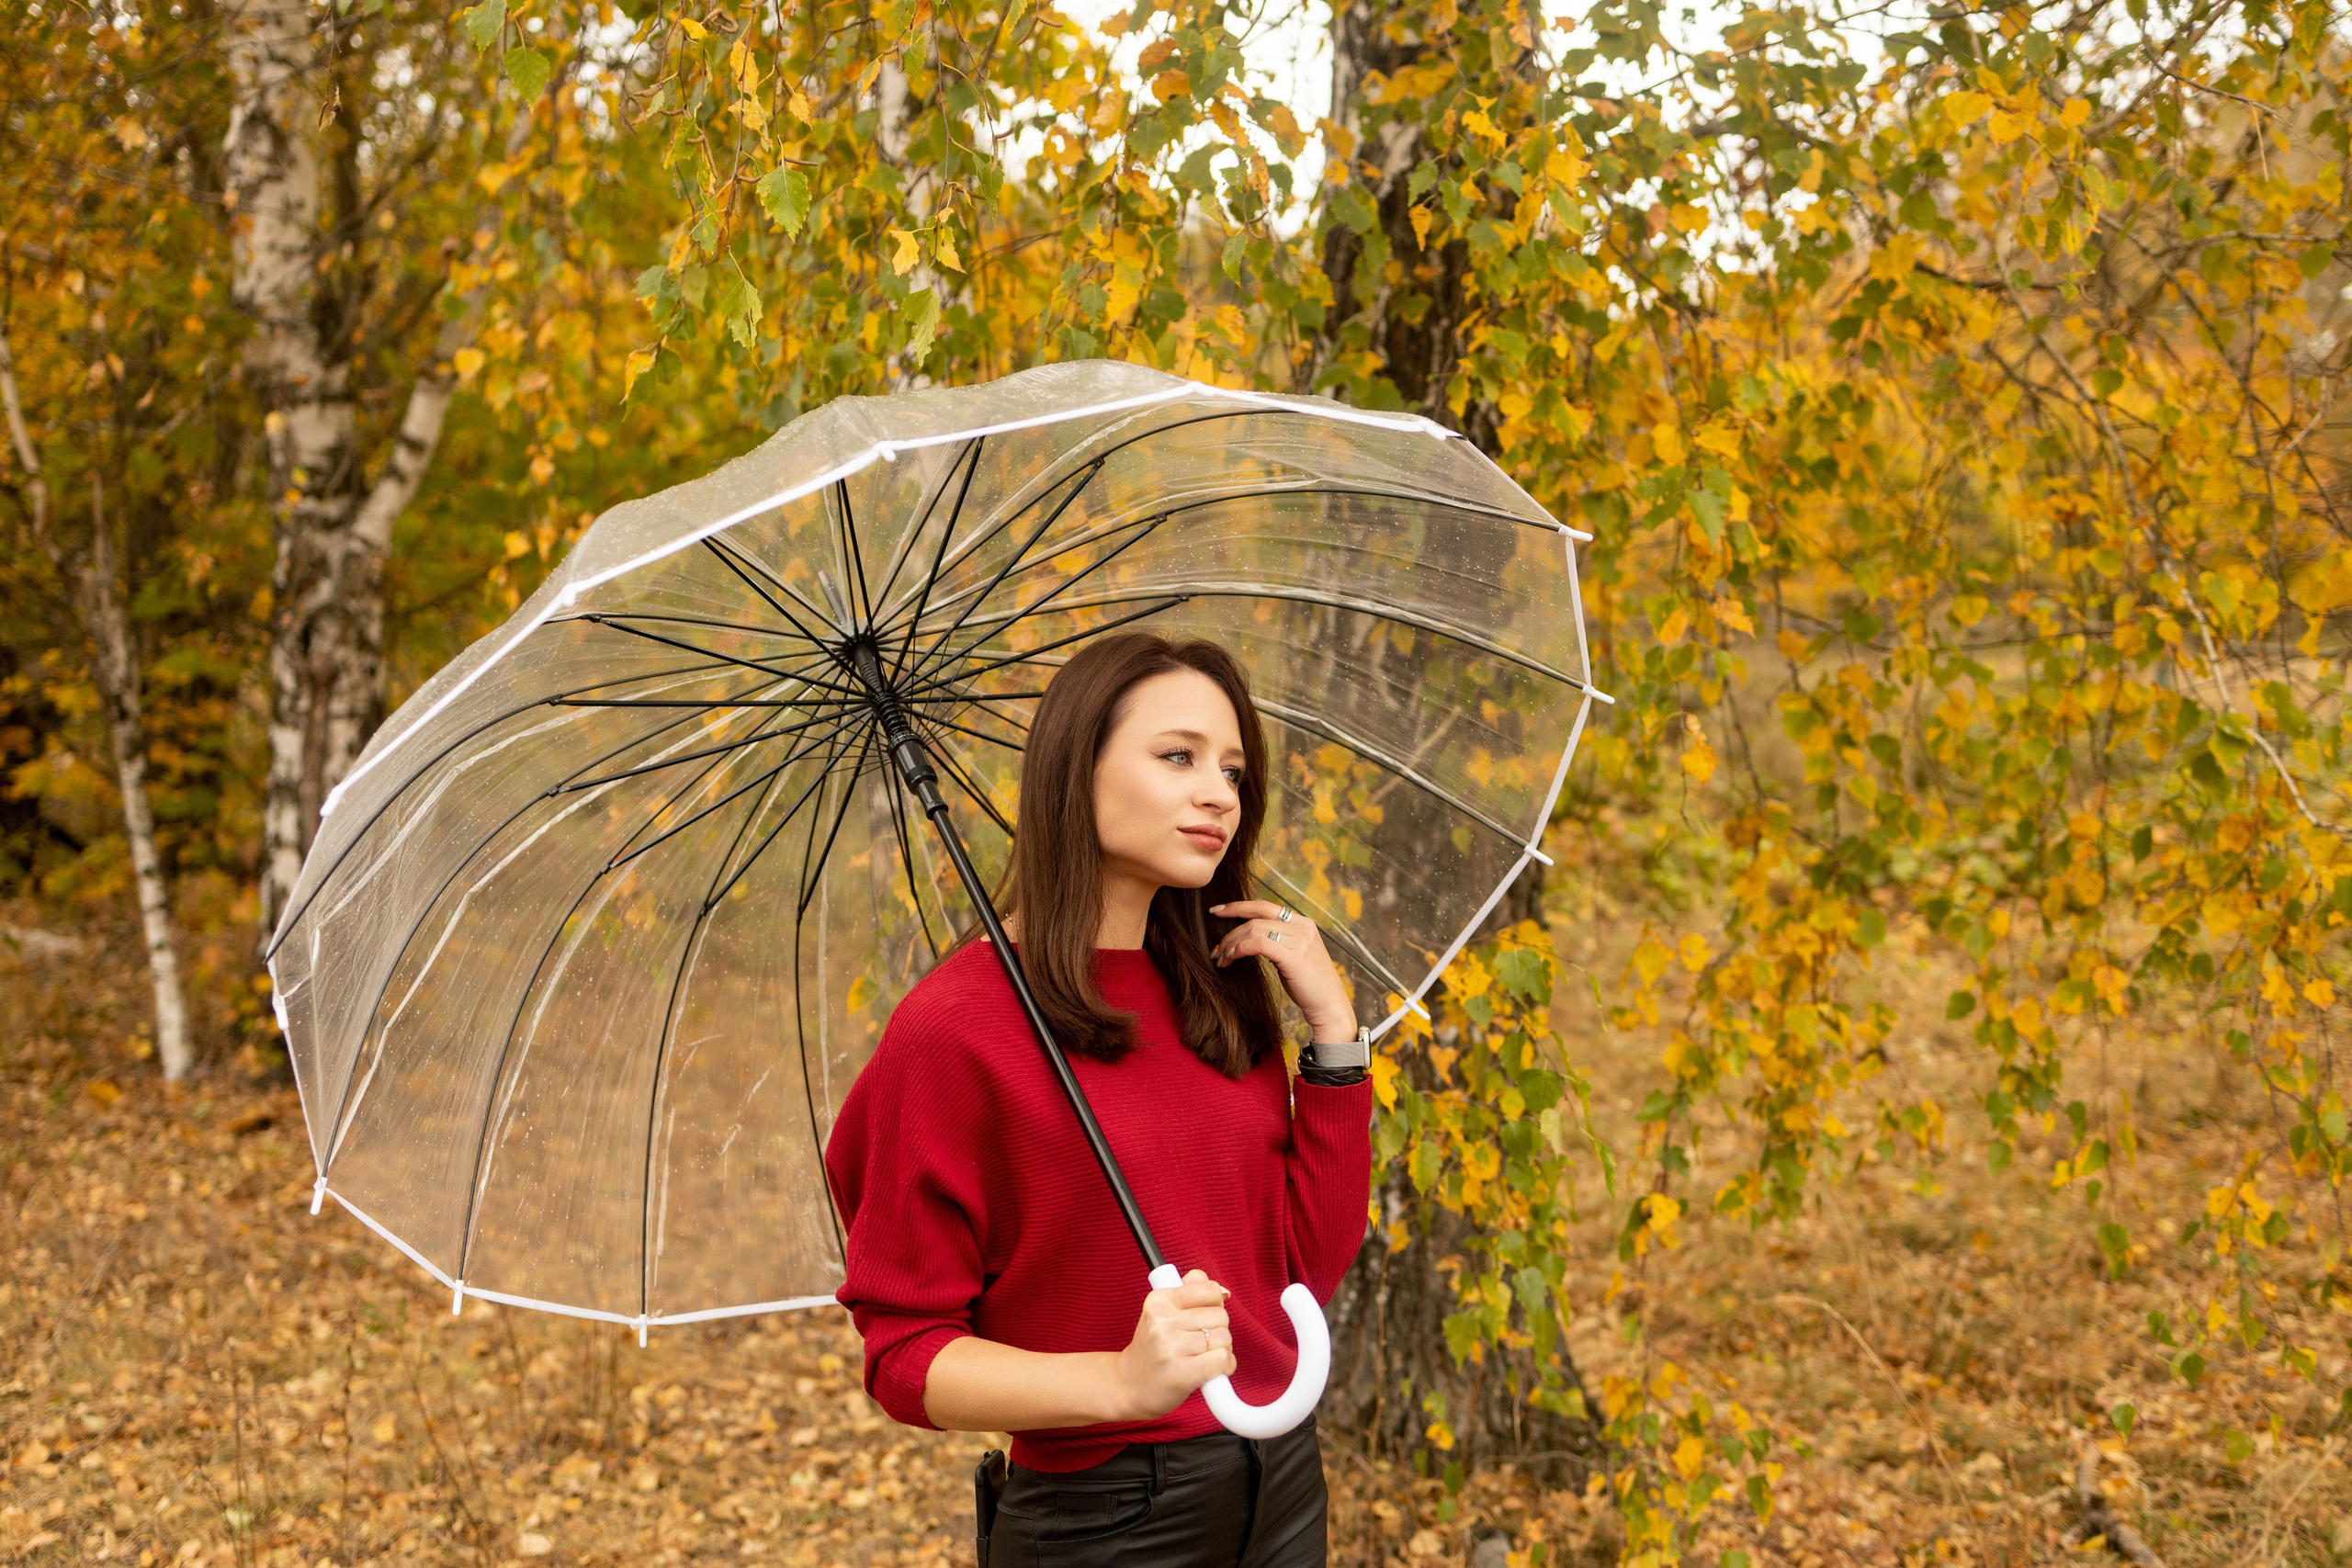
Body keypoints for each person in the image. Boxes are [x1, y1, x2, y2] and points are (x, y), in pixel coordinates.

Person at [822, 631, 1374, 1566]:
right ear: (1078, 771)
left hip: (1281, 1483)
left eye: (1233, 770)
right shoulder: (955, 1029)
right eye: (1177, 757)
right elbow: (907, 1359)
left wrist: (1332, 1039)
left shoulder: (1216, 987)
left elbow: (1301, 1276)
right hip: (1107, 1518)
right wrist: (1118, 1383)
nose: (1219, 796)